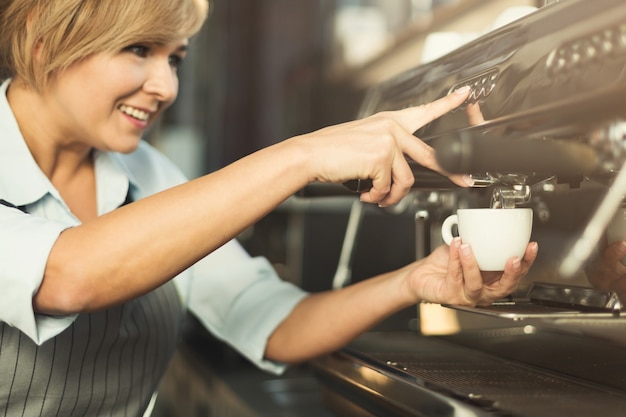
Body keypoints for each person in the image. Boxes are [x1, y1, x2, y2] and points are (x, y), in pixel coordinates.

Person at [0, 0, 538, 416]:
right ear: (46, 43)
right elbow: (66, 278)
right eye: (139, 49)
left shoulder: (147, 173)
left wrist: (414, 281)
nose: (166, 87)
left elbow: (271, 320)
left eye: (176, 58)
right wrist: (305, 154)